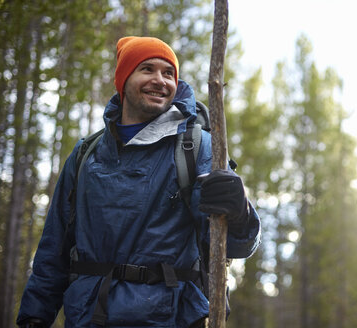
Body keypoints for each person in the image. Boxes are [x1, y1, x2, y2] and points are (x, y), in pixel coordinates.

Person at [17, 36, 261, 328]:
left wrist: (240, 213)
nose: (160, 80)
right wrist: (35, 314)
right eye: (147, 69)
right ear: (123, 80)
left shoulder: (197, 147)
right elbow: (54, 246)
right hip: (88, 317)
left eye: (168, 73)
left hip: (170, 318)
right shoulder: (86, 153)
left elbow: (232, 244)